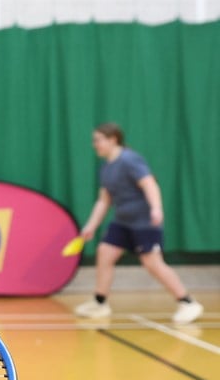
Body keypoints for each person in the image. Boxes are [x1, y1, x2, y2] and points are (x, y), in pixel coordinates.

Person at [74, 122, 204, 324]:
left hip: (144, 221)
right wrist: (91, 225)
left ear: (113, 139)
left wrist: (156, 208)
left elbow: (149, 183)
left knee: (152, 263)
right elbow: (104, 200)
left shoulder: (129, 160)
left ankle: (187, 302)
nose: (95, 144)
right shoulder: (106, 168)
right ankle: (99, 303)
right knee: (105, 252)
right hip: (122, 221)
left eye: (98, 140)